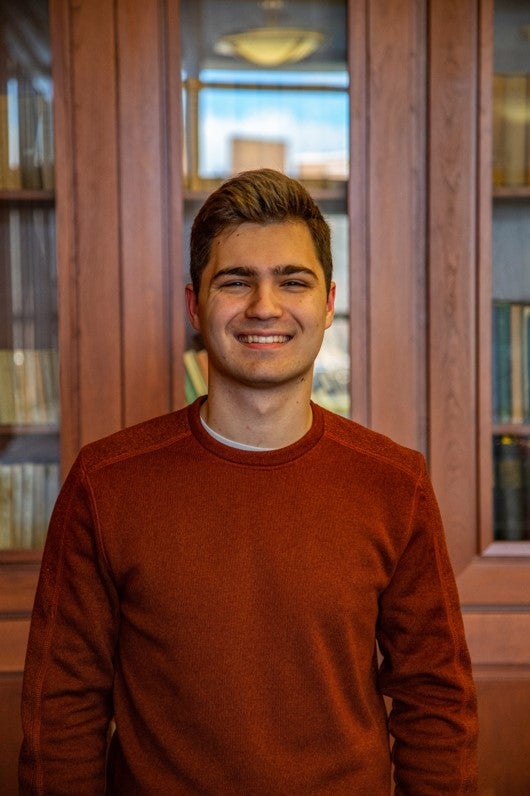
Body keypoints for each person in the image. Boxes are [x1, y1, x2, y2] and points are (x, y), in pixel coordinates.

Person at [19, 168, 478, 794]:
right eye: (236, 282)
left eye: (292, 281)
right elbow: (62, 712)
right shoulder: (107, 483)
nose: (265, 306)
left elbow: (437, 704)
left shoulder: (395, 484)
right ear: (194, 305)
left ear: (328, 304)